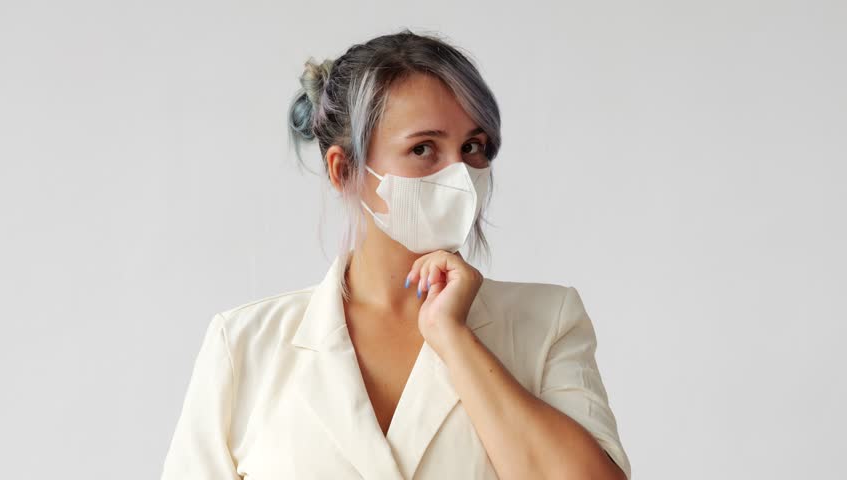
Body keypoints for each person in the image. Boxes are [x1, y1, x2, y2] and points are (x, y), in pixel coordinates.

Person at [160, 28, 631, 480]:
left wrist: (453, 338)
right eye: (424, 148)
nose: (460, 174)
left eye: (473, 147)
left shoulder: (547, 323)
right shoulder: (244, 345)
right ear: (345, 171)